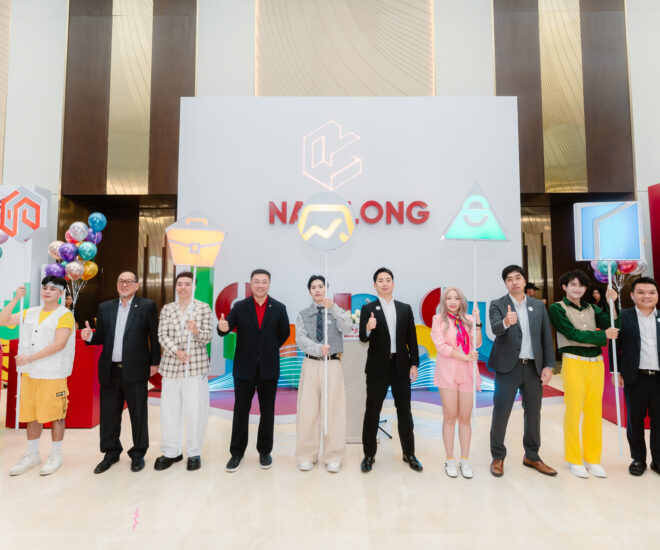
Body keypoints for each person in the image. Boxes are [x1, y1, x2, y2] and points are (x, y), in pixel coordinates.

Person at [81, 271, 160, 474]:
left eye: (129, 281)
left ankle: (138, 453)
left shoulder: (147, 306)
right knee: (109, 415)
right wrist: (89, 337)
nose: (124, 284)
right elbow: (101, 337)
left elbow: (154, 335)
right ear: (117, 284)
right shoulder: (105, 307)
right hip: (110, 370)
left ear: (136, 285)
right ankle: (111, 452)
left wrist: (154, 361)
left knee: (138, 414)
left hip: (136, 369)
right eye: (121, 281)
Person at [0, 277, 75, 476]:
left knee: (56, 415)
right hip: (30, 373)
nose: (47, 291)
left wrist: (30, 358)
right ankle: (33, 454)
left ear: (61, 293)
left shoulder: (64, 315)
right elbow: (3, 321)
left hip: (53, 373)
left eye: (52, 289)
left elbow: (59, 344)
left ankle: (55, 455)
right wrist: (15, 299)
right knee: (31, 415)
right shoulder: (30, 312)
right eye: (44, 288)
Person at [217, 269, 290, 472]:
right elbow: (226, 327)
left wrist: (268, 348)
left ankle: (265, 451)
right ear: (251, 283)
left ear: (269, 284)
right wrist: (222, 327)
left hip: (269, 367)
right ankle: (237, 453)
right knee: (241, 410)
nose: (260, 285)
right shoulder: (240, 307)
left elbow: (284, 333)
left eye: (264, 281)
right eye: (256, 281)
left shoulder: (279, 308)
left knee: (268, 411)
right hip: (244, 367)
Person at [548, 269, 618, 478]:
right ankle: (573, 459)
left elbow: (614, 326)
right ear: (564, 287)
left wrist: (612, 304)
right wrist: (602, 336)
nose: (577, 288)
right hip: (573, 362)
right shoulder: (557, 308)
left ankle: (592, 459)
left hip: (596, 363)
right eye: (573, 284)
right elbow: (571, 333)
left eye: (581, 285)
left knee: (594, 412)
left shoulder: (592, 308)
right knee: (573, 411)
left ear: (586, 288)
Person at [488, 265, 557, 477]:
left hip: (533, 367)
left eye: (517, 278)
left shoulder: (537, 305)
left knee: (534, 413)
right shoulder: (497, 304)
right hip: (508, 367)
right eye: (509, 279)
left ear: (525, 280)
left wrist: (548, 365)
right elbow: (495, 328)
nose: (514, 282)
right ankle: (498, 456)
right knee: (501, 412)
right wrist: (506, 322)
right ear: (505, 283)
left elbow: (546, 336)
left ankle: (532, 456)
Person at [359, 267, 422, 473]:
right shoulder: (368, 309)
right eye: (380, 280)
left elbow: (412, 338)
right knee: (372, 412)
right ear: (374, 285)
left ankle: (409, 453)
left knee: (405, 412)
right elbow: (363, 338)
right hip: (377, 369)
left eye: (388, 280)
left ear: (393, 283)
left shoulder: (404, 308)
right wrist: (368, 327)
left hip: (401, 367)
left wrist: (414, 364)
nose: (384, 283)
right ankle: (369, 455)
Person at [155, 271, 213, 471]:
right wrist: (176, 351)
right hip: (171, 367)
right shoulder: (168, 308)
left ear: (194, 286)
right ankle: (171, 451)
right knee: (170, 411)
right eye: (180, 284)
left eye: (187, 284)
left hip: (194, 368)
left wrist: (196, 331)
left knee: (195, 411)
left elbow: (208, 336)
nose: (183, 287)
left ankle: (194, 452)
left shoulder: (203, 308)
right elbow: (162, 335)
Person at [294, 275, 353, 473]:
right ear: (309, 291)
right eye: (313, 287)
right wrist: (318, 348)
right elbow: (300, 339)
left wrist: (333, 308)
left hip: (333, 364)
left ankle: (334, 456)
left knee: (334, 411)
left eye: (321, 286)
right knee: (307, 410)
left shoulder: (337, 310)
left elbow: (347, 327)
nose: (317, 290)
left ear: (326, 289)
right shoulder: (303, 314)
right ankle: (306, 455)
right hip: (311, 363)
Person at [610, 276, 660, 477]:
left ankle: (658, 460)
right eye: (641, 292)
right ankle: (638, 459)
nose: (646, 296)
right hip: (634, 377)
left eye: (651, 292)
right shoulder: (624, 317)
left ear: (657, 295)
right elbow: (615, 346)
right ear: (632, 295)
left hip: (658, 378)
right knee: (635, 420)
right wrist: (615, 372)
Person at [431, 287, 482, 479]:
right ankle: (450, 459)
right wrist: (465, 357)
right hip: (447, 373)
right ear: (444, 301)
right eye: (449, 298)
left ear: (462, 301)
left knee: (465, 418)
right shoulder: (438, 319)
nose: (453, 302)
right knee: (450, 417)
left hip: (467, 373)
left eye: (456, 298)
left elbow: (477, 343)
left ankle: (465, 460)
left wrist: (477, 322)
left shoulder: (469, 319)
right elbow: (441, 346)